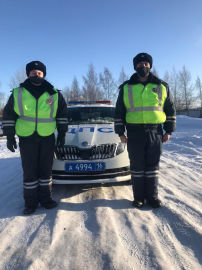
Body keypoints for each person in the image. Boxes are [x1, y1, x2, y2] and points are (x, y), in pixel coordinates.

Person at [2, 61, 68, 214]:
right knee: (30, 171)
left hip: (47, 137)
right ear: (28, 74)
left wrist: (62, 133)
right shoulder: (18, 92)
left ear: (43, 74)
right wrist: (10, 136)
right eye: (33, 72)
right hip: (27, 137)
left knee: (46, 170)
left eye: (39, 72)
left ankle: (46, 199)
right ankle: (30, 203)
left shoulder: (55, 94)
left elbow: (63, 115)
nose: (36, 74)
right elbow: (8, 115)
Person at [114, 53, 176, 208]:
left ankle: (153, 197)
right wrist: (120, 132)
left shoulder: (162, 86)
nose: (143, 66)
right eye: (139, 64)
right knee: (137, 167)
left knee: (152, 167)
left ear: (150, 65)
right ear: (135, 67)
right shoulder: (126, 87)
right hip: (134, 133)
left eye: (146, 63)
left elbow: (170, 109)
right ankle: (139, 198)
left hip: (155, 132)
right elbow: (119, 111)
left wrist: (168, 130)